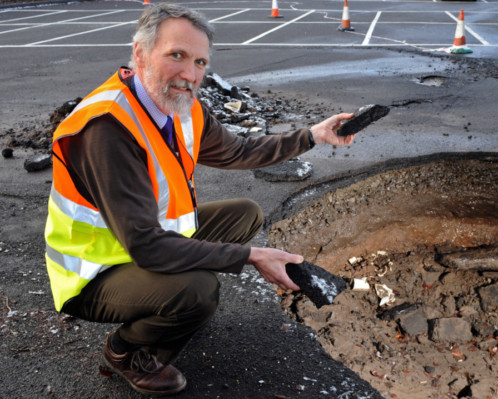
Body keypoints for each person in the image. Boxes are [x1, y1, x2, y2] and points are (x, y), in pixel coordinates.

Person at [43, 3, 354, 396]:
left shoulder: (182, 107)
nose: (190, 74)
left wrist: (313, 135)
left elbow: (240, 151)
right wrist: (252, 256)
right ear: (139, 54)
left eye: (200, 62)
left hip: (141, 242)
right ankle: (126, 351)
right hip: (94, 271)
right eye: (177, 55)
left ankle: (171, 306)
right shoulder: (107, 129)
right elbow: (148, 248)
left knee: (244, 214)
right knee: (199, 291)